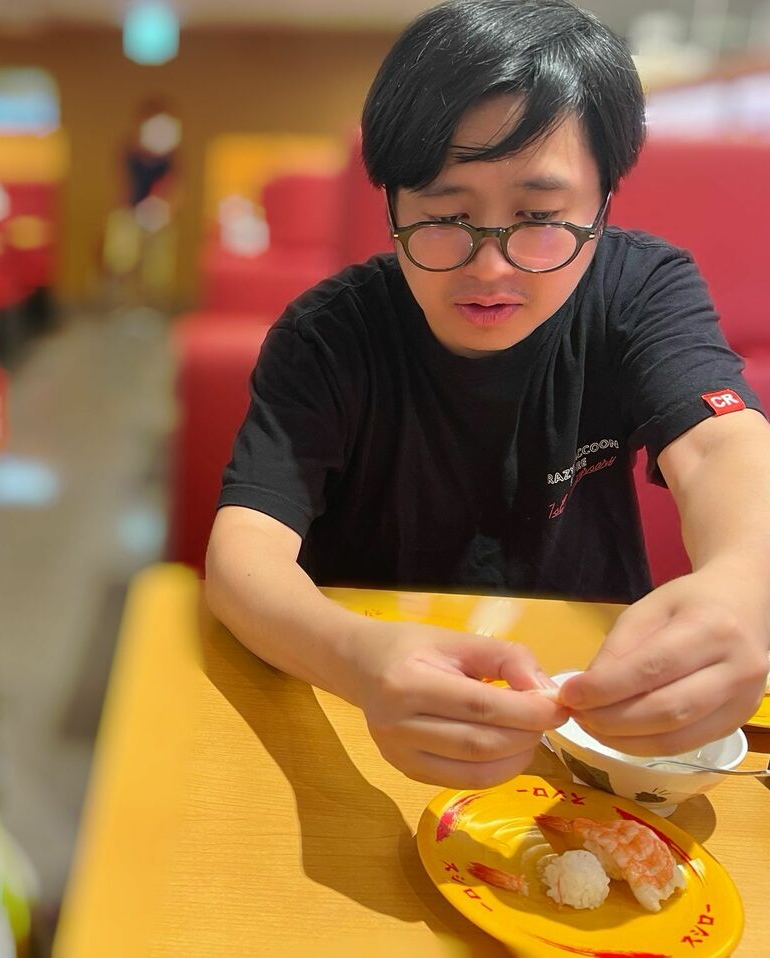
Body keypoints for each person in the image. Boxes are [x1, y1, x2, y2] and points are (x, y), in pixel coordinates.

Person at [206, 0, 770, 791]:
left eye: (539, 217)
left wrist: (744, 584)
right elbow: (243, 557)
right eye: (446, 215)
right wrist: (360, 658)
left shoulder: (640, 287)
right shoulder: (328, 335)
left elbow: (721, 443)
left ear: (604, 203)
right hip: (368, 703)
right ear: (392, 203)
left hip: (590, 706)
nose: (491, 267)